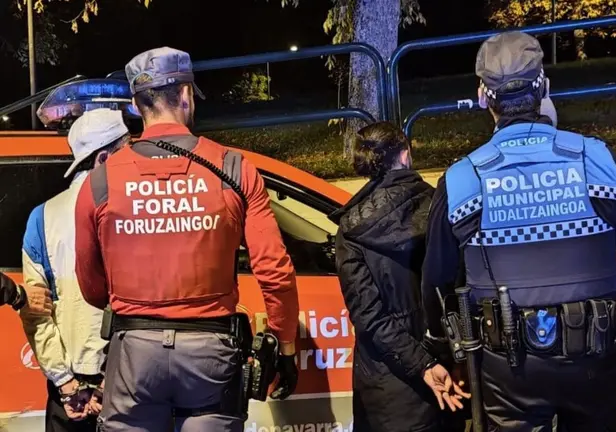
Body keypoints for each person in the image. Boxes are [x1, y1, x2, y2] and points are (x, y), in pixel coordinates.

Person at [419, 31, 616, 431]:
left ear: (483, 95)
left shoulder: (463, 179)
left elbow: (437, 280)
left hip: (507, 368)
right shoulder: (597, 159)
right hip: (596, 359)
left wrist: (440, 348)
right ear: (544, 88)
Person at [74, 47, 300, 432]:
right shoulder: (233, 168)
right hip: (212, 355)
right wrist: (285, 346)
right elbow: (275, 272)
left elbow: (92, 286)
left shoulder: (100, 181)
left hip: (133, 354)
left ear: (134, 104)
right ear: (186, 95)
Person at [329, 122, 464, 432]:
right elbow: (458, 289)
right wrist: (444, 360)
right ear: (406, 155)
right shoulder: (439, 208)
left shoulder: (351, 229)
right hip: (447, 370)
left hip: (386, 384)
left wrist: (422, 366)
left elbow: (370, 318)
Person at [20, 108, 131, 432]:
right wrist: (106, 384)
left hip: (69, 393)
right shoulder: (134, 211)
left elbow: (35, 311)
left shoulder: (42, 216)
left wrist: (65, 383)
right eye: (126, 150)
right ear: (103, 158)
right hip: (127, 384)